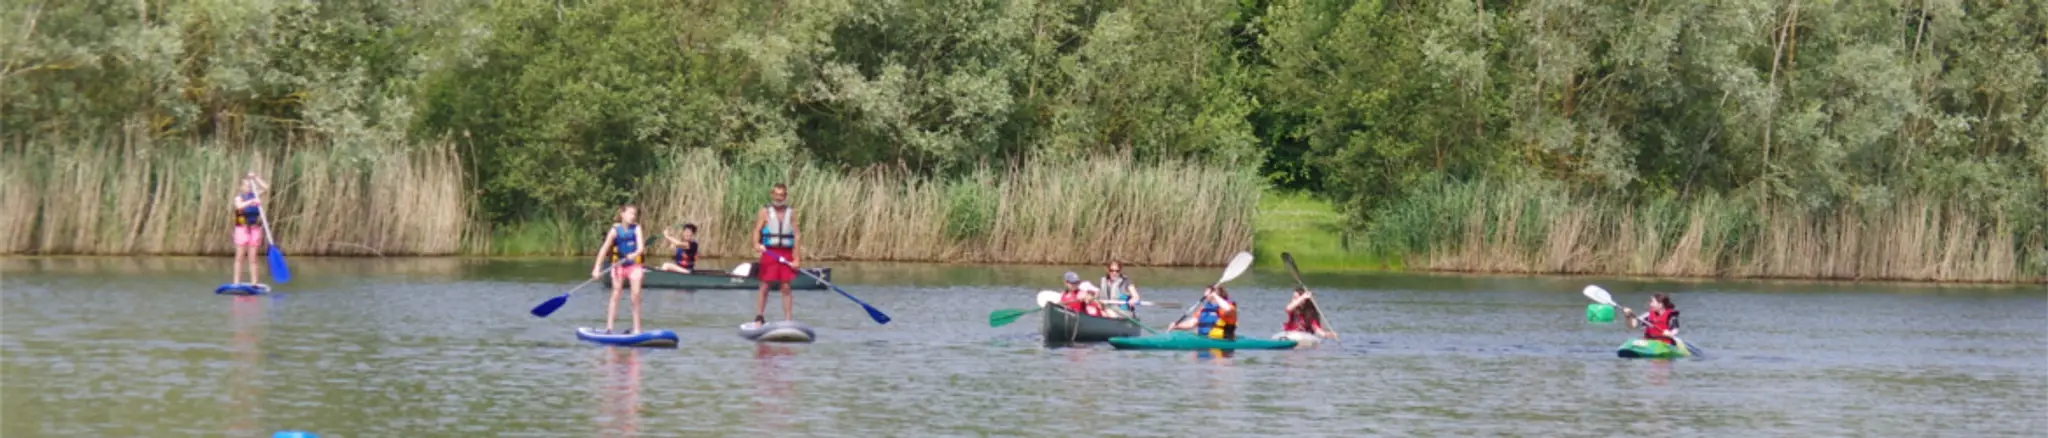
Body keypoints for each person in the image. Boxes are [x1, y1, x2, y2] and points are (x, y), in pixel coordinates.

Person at [592, 204, 647, 334]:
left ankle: (637, 329)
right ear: (622, 214)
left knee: (635, 296)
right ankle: (609, 328)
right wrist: (597, 268)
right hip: (618, 266)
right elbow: (604, 249)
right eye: (630, 213)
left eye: (634, 214)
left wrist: (634, 254)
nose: (632, 216)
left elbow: (640, 248)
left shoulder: (637, 228)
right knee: (616, 294)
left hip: (634, 265)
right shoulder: (615, 230)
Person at [752, 183, 800, 324]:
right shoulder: (765, 211)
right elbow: (757, 230)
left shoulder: (791, 212)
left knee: (786, 287)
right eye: (777, 195)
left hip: (786, 252)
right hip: (769, 252)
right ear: (772, 195)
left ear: (785, 196)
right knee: (765, 285)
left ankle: (788, 320)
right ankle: (759, 316)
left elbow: (797, 235)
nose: (779, 198)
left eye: (782, 195)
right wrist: (756, 244)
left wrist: (797, 259)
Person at [229, 172, 269, 286]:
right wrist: (252, 201)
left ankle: (254, 283)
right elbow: (239, 206)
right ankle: (236, 282)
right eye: (247, 186)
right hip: (242, 229)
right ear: (241, 187)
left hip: (254, 229)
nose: (249, 188)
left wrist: (255, 177)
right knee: (240, 257)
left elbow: (266, 188)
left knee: (253, 258)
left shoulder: (256, 195)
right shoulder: (239, 198)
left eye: (251, 186)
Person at [1171, 286, 1237, 340]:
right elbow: (1192, 323)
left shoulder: (1229, 307)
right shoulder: (1204, 309)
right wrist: (1177, 326)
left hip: (1223, 342)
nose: (1205, 293)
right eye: (1206, 291)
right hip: (1204, 340)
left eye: (1208, 291)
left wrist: (1214, 295)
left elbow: (1227, 309)